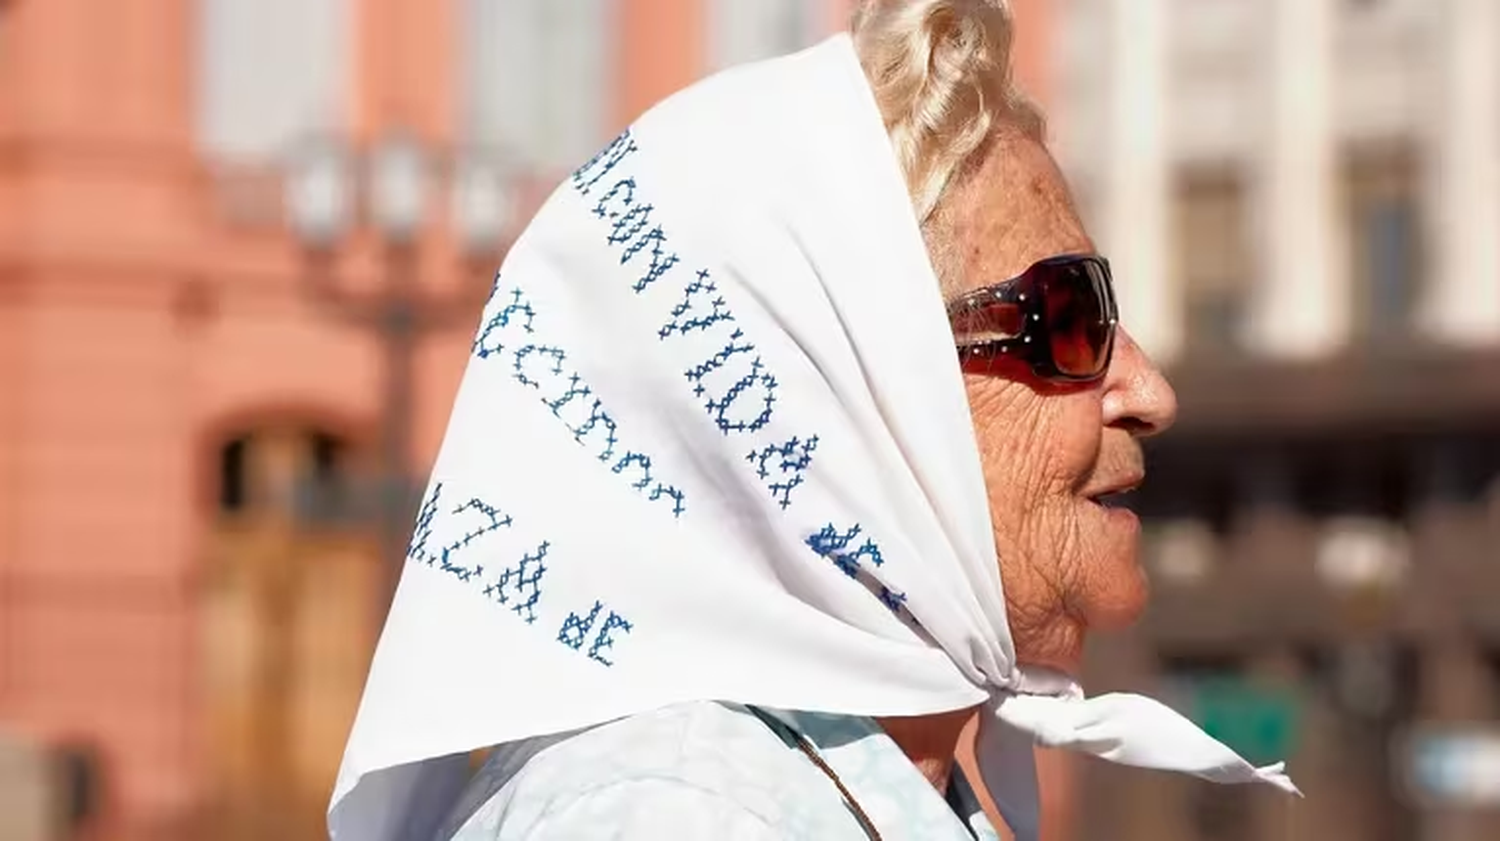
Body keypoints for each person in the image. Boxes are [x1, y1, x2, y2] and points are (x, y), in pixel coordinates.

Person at [329, 2, 1299, 840]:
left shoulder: (805, 782)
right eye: (1070, 319)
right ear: (857, 392)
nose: (1151, 389)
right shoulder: (680, 816)